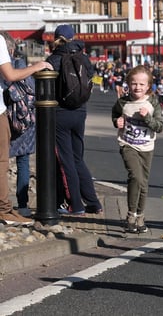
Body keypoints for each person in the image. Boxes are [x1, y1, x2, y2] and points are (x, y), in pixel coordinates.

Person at [46, 24, 102, 215]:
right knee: (78, 158)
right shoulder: (84, 58)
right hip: (80, 112)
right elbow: (91, 83)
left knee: (65, 160)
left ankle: (75, 205)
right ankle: (93, 202)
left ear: (56, 38)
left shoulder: (53, 59)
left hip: (60, 114)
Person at [112, 65, 163, 233]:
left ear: (148, 86)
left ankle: (140, 216)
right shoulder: (123, 102)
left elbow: (160, 126)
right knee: (135, 176)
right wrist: (117, 121)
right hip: (127, 144)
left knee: (143, 183)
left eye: (142, 84)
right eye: (134, 83)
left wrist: (147, 118)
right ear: (128, 84)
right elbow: (115, 114)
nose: (137, 87)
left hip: (146, 147)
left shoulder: (152, 103)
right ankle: (130, 215)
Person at [1, 33, 38, 219]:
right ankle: (19, 205)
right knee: (19, 162)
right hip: (22, 121)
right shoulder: (22, 67)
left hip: (8, 118)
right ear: (12, 49)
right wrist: (38, 67)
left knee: (4, 163)